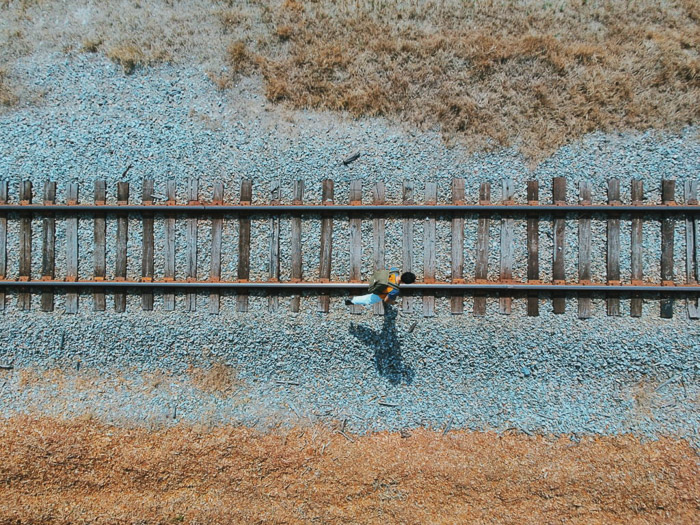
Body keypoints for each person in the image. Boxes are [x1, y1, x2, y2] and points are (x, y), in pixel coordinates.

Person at [345, 267, 416, 307]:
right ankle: (352, 301)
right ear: (404, 282)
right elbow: (386, 300)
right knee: (368, 299)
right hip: (379, 294)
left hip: (376, 279)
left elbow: (386, 269)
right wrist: (392, 303)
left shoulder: (395, 270)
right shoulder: (394, 290)